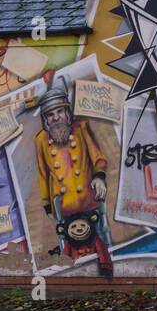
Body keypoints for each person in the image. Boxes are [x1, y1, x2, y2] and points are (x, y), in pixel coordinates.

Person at [34, 74, 114, 278]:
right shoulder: (41, 140)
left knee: (98, 238)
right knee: (69, 243)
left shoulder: (81, 128)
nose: (56, 117)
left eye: (60, 111)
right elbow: (43, 174)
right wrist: (47, 204)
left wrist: (99, 176)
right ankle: (76, 275)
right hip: (64, 205)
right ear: (45, 119)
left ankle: (106, 272)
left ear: (67, 112)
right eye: (50, 114)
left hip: (87, 199)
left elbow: (99, 159)